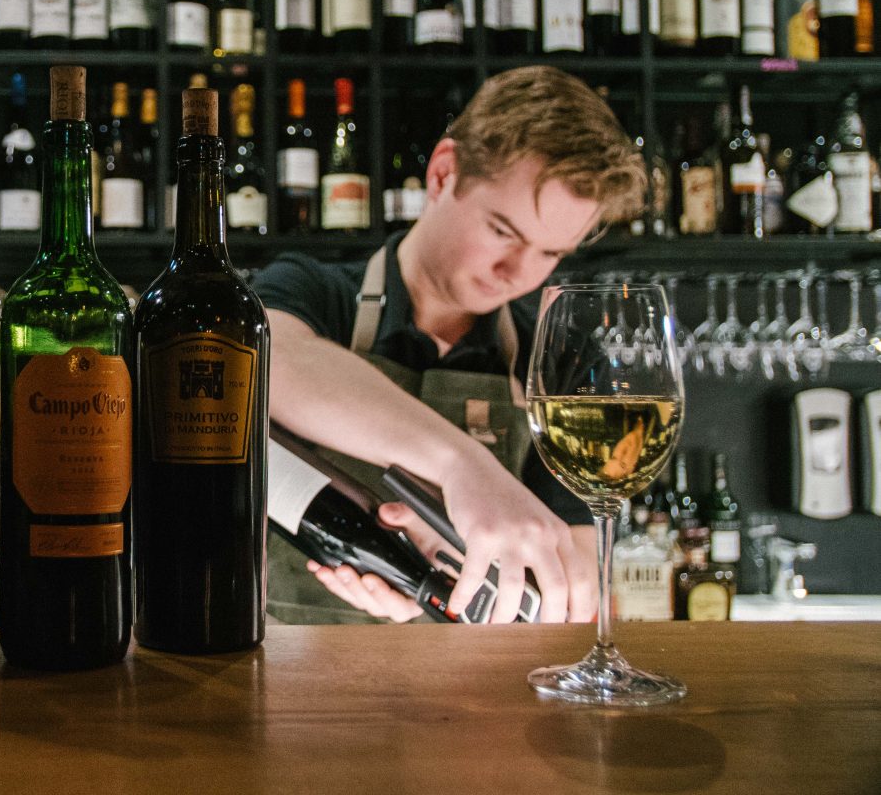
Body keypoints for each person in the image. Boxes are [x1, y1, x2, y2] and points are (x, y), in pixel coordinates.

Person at [254, 66, 647, 625]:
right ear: (443, 174)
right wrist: (466, 468)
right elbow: (274, 366)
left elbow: (575, 585)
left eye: (550, 253)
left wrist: (431, 569)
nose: (518, 272)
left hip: (476, 696)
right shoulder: (312, 290)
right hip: (286, 680)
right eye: (503, 232)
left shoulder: (561, 358)